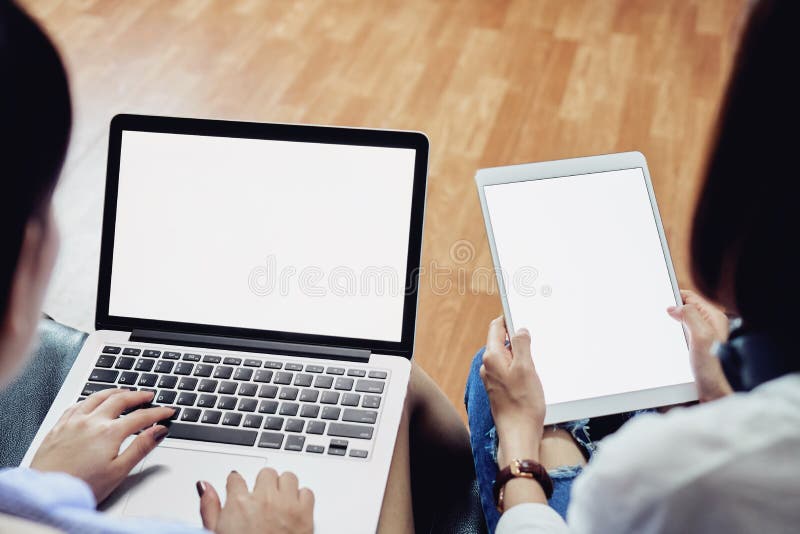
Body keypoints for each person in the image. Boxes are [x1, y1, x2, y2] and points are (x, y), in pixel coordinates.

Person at [460, 0, 800, 531]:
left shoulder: (657, 472)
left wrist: (522, 450)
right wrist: (719, 397)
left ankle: (553, 452)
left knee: (496, 383)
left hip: (618, 503)